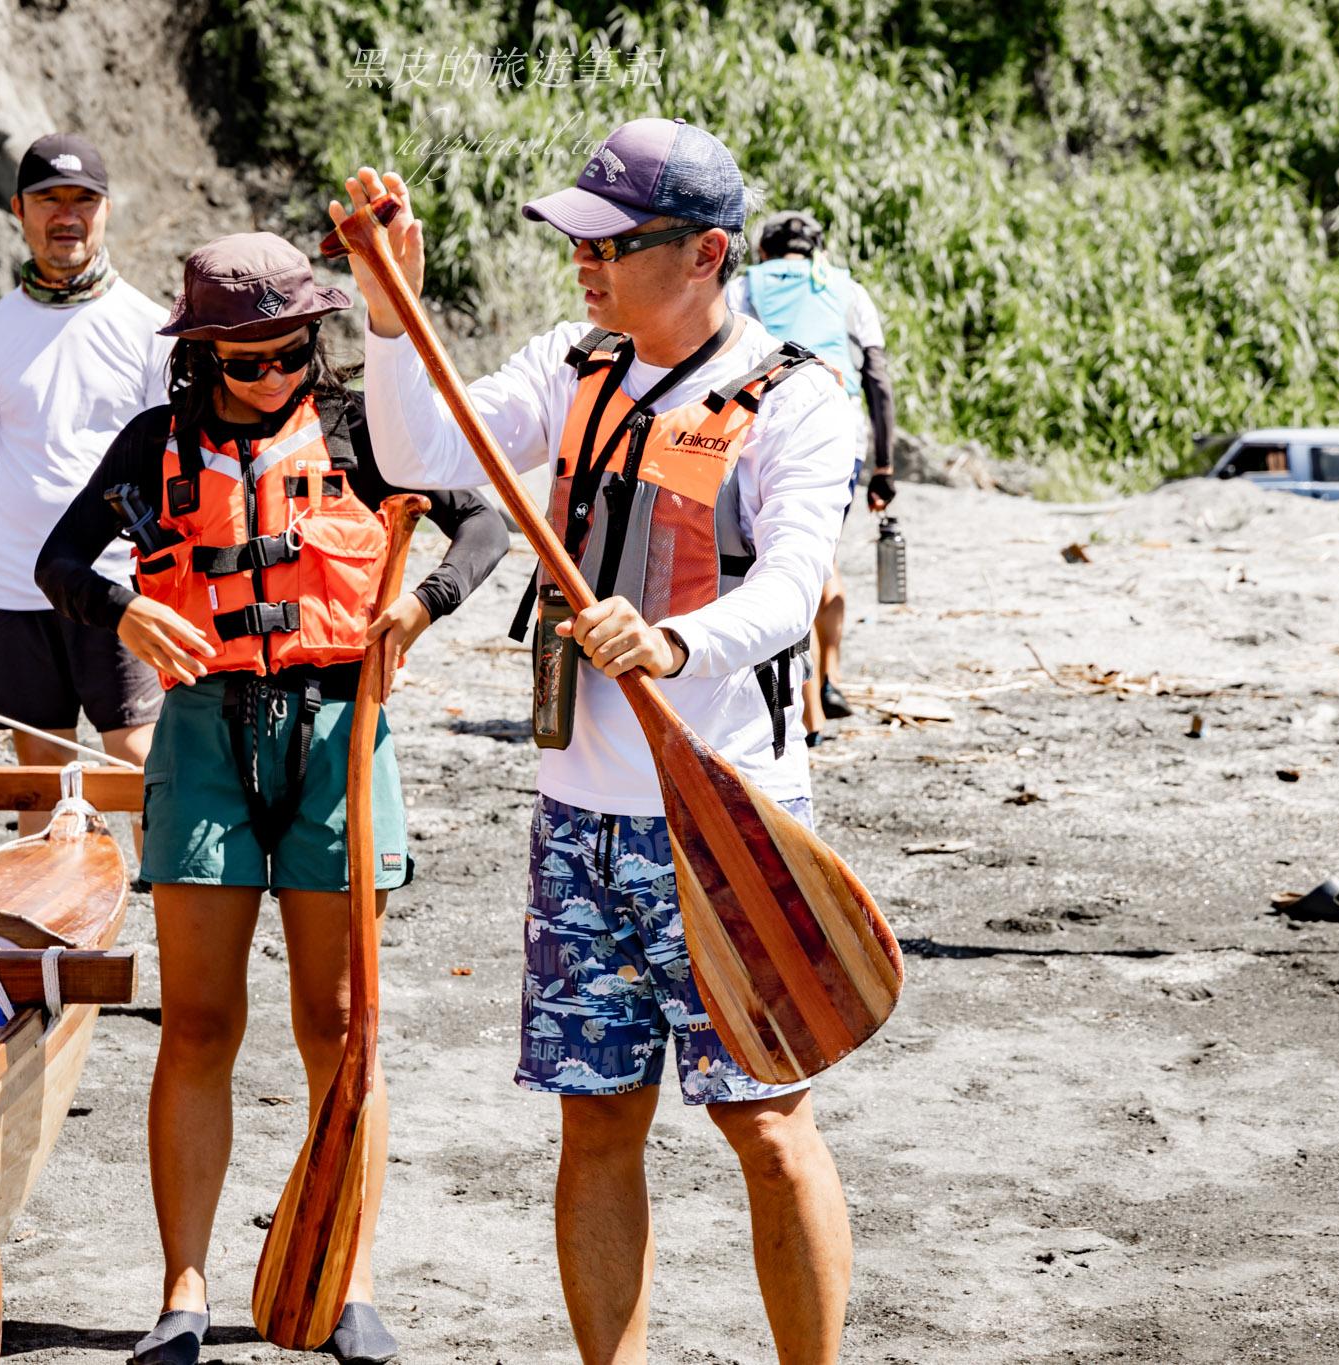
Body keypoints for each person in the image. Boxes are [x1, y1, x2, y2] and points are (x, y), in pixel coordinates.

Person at [334, 117, 861, 1365]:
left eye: (613, 243)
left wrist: (679, 644)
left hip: (722, 820)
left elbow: (793, 584)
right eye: (580, 239)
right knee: (595, 1125)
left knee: (765, 1127)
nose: (585, 261)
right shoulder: (572, 365)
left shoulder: (797, 399)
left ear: (706, 254)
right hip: (578, 820)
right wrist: (384, 308)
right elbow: (415, 449)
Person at [35, 232, 507, 1365]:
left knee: (339, 1031)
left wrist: (426, 603)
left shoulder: (364, 433)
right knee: (198, 1024)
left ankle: (347, 1279)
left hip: (341, 734)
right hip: (201, 733)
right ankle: (183, 1296)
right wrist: (121, 614)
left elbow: (486, 522)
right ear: (199, 356)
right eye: (244, 361)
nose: (272, 377)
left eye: (290, 353)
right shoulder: (154, 444)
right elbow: (59, 562)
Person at [0, 134, 170, 839]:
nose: (65, 215)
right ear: (18, 210)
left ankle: (169, 928)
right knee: (41, 789)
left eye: (83, 200)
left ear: (105, 210)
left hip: (119, 583)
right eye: (48, 199)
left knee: (136, 766)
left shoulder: (154, 328)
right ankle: (55, 946)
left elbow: (175, 470)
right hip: (12, 589)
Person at [728, 209, 896, 739]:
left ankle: (810, 714)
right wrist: (885, 467)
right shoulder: (849, 290)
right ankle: (830, 677)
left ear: (762, 252)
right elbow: (878, 377)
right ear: (818, 252)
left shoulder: (743, 287)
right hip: (841, 433)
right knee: (819, 552)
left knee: (787, 556)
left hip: (768, 428)